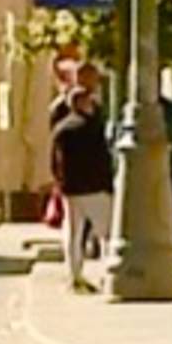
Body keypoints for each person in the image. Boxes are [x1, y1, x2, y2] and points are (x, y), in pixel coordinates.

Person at [47, 94, 119, 292]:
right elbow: (102, 159)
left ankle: (75, 276)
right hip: (95, 188)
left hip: (71, 190)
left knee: (73, 233)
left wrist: (60, 183)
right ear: (81, 104)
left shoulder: (61, 129)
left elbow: (54, 161)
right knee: (107, 233)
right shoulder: (92, 127)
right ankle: (109, 273)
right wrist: (108, 184)